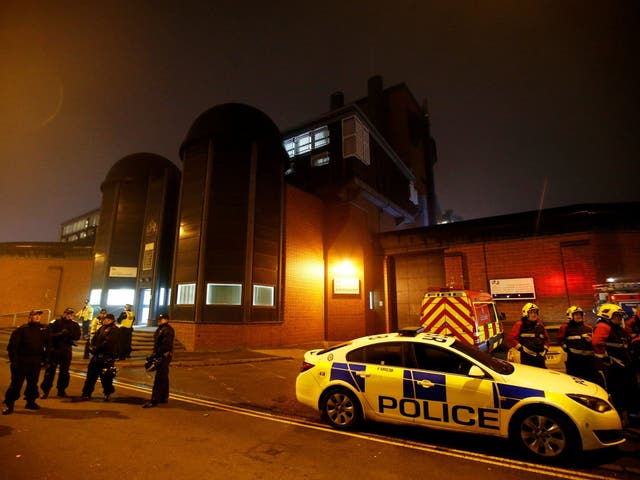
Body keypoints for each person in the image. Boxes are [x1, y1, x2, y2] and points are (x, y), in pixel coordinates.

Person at [592, 303, 635, 425]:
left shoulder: (617, 328)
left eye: (620, 316)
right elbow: (596, 343)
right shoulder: (604, 327)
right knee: (617, 392)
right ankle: (619, 419)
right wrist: (607, 358)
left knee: (625, 391)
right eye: (616, 315)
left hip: (622, 365)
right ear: (607, 315)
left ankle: (628, 416)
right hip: (613, 367)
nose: (619, 318)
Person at [2, 310, 51, 415]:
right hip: (21, 360)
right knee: (16, 384)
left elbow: (48, 345)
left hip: (36, 361)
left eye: (39, 315)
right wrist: (14, 360)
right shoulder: (21, 330)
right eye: (35, 315)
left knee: (33, 383)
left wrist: (46, 359)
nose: (37, 317)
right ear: (30, 317)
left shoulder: (43, 330)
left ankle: (30, 402)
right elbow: (12, 347)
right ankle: (9, 404)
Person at [40, 307, 81, 398]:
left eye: (70, 314)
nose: (68, 315)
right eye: (67, 313)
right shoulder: (55, 322)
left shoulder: (75, 324)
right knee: (50, 371)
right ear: (64, 313)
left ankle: (61, 390)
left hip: (66, 350)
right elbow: (48, 334)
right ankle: (45, 391)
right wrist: (59, 334)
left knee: (64, 372)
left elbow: (77, 336)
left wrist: (69, 334)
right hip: (55, 350)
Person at [82, 313, 120, 401]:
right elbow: (95, 339)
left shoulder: (115, 330)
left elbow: (108, 343)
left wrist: (96, 349)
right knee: (91, 376)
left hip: (107, 357)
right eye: (103, 319)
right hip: (96, 357)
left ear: (110, 320)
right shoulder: (101, 328)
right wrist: (92, 346)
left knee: (106, 377)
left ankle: (107, 393)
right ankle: (86, 393)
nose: (103, 321)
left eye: (105, 319)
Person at [143, 313, 175, 408]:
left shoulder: (167, 330)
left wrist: (156, 354)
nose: (160, 321)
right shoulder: (160, 329)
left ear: (167, 320)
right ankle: (164, 397)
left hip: (163, 356)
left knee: (159, 378)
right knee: (164, 376)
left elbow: (166, 345)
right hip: (161, 355)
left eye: (162, 319)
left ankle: (154, 400)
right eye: (159, 319)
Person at [557, 306, 596, 381]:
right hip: (574, 360)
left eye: (580, 314)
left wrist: (591, 340)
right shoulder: (565, 327)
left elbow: (594, 341)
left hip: (589, 361)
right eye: (576, 314)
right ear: (570, 316)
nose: (579, 316)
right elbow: (560, 340)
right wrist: (566, 349)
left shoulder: (589, 328)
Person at [508, 302, 549, 368]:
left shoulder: (540, 326)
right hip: (527, 358)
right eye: (531, 313)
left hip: (540, 358)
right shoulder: (520, 325)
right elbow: (511, 339)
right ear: (526, 314)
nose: (534, 314)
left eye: (535, 312)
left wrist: (545, 350)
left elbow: (546, 339)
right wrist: (522, 349)